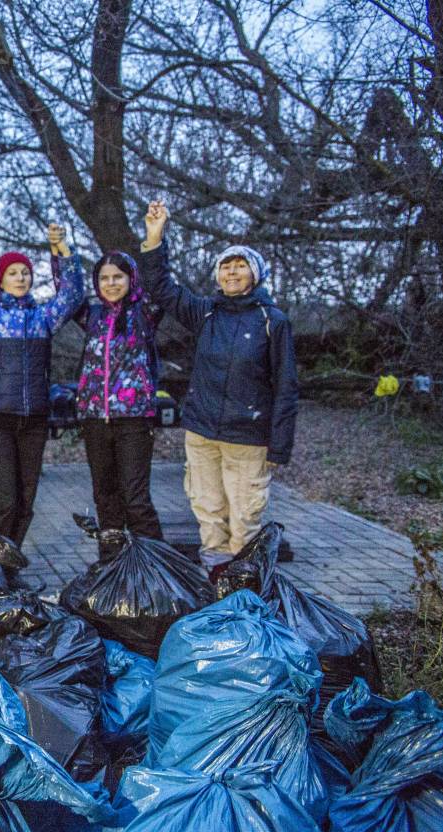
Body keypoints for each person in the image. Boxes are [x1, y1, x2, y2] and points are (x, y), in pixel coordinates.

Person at [140, 200, 298, 571]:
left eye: (240, 266)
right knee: (208, 509)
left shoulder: (273, 321)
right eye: (225, 266)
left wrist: (280, 443)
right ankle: (215, 578)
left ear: (255, 275)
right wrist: (154, 235)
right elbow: (161, 287)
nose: (231, 272)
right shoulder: (206, 312)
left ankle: (244, 583)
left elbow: (286, 387)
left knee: (245, 514)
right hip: (202, 431)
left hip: (248, 437)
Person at [0, 223, 84, 546]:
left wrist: (64, 252)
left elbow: (72, 296)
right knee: (4, 503)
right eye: (13, 273)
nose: (21, 277)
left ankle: (8, 568)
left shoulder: (43, 318)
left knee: (25, 505)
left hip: (34, 420)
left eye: (25, 272)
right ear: (1, 280)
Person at [71, 250, 165, 560]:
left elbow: (159, 281)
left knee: (135, 499)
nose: (111, 283)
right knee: (105, 499)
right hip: (95, 418)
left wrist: (154, 240)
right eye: (104, 278)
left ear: (130, 278)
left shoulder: (145, 312)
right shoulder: (93, 315)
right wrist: (62, 254)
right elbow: (69, 291)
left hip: (134, 419)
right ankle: (112, 569)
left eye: (118, 277)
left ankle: (157, 570)